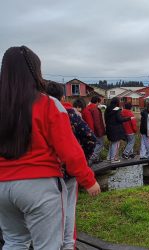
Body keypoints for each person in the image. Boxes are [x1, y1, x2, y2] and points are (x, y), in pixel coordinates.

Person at [0, 46, 100, 250]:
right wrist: (88, 180)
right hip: (39, 186)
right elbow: (69, 149)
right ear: (35, 72)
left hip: (2, 186)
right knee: (48, 246)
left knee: (14, 242)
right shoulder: (48, 104)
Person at [45, 81, 96, 249]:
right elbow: (90, 138)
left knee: (48, 214)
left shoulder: (33, 112)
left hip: (43, 175)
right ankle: (68, 245)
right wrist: (84, 161)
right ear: (63, 97)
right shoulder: (70, 114)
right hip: (68, 172)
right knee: (68, 212)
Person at [104, 97, 131, 163]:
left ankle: (109, 158)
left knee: (112, 143)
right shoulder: (117, 109)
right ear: (117, 102)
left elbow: (106, 118)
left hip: (109, 128)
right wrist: (128, 118)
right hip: (116, 129)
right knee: (116, 144)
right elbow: (119, 119)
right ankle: (113, 159)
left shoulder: (107, 108)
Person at [82, 96, 106, 164]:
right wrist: (100, 132)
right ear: (97, 102)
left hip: (89, 129)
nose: (100, 104)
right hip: (96, 130)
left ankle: (95, 159)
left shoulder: (87, 108)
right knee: (100, 143)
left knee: (94, 144)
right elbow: (97, 122)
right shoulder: (95, 109)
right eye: (100, 102)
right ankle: (92, 158)